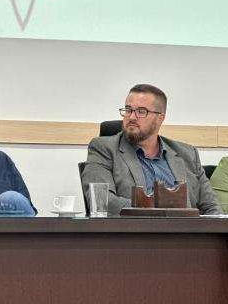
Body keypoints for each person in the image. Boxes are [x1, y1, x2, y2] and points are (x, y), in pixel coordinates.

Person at [81, 84, 221, 215]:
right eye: (128, 109)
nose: (132, 117)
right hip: (135, 236)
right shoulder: (104, 149)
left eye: (141, 111)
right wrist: (158, 210)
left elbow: (212, 208)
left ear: (160, 118)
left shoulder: (188, 154)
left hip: (186, 237)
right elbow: (102, 202)